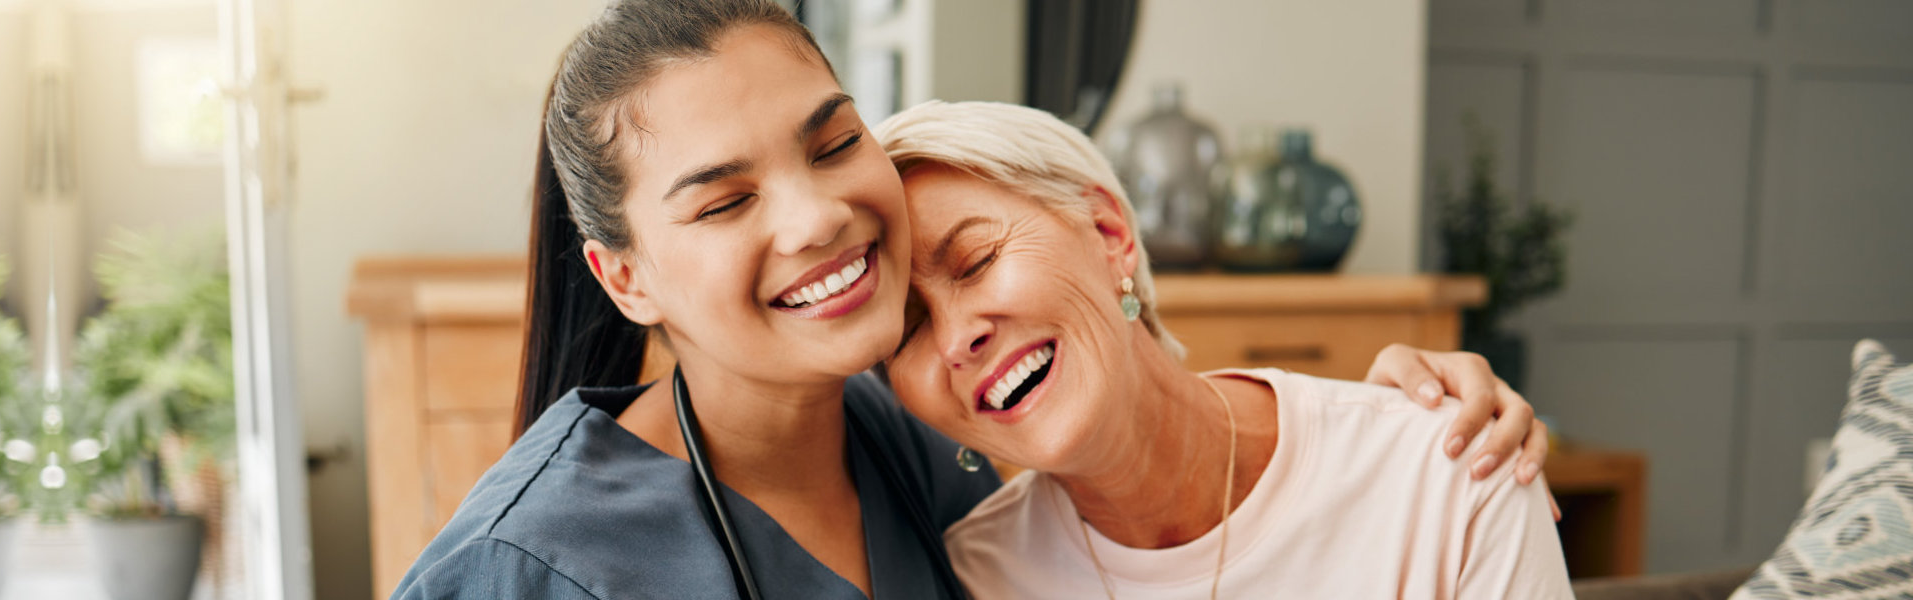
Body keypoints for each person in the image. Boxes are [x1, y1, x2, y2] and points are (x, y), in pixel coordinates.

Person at [392, 2, 1546, 598]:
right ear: (625, 275)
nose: (815, 219)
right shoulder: (529, 566)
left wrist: (1408, 413)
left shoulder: (933, 438)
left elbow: (1173, 440)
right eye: (723, 200)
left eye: (832, 142)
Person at [877, 100, 1572, 599]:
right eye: (905, 330)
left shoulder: (1451, 470)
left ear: (1108, 232)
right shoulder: (971, 579)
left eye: (974, 260)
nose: (956, 335)